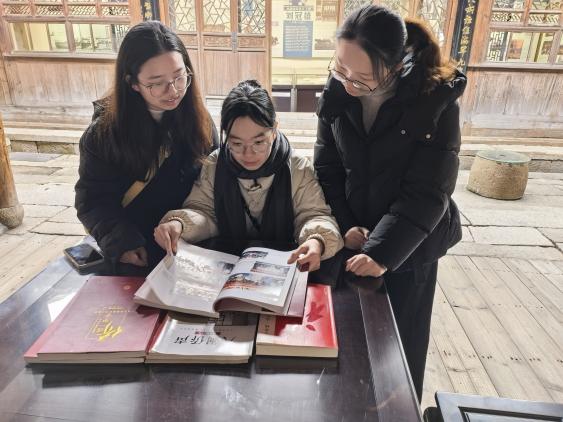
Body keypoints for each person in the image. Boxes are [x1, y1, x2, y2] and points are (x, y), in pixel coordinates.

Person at [314, 5, 466, 401]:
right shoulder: (340, 88)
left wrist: (382, 252)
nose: (347, 83)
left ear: (398, 67)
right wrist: (343, 224)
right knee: (346, 341)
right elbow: (327, 167)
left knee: (399, 351)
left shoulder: (434, 101)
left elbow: (429, 191)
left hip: (409, 245)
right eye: (340, 69)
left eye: (362, 79)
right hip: (352, 235)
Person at [155, 80, 343, 271]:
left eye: (259, 142)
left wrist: (317, 240)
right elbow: (203, 211)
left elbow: (313, 215)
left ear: (274, 130)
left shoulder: (297, 167)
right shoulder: (215, 165)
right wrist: (180, 224)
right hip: (224, 267)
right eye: (236, 144)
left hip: (282, 268)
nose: (248, 154)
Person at [75, 21, 217, 269]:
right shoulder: (104, 134)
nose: (173, 91)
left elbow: (213, 183)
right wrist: (123, 244)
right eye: (156, 83)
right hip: (137, 251)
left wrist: (188, 226)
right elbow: (93, 200)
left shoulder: (199, 121)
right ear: (132, 82)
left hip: (190, 247)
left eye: (179, 77)